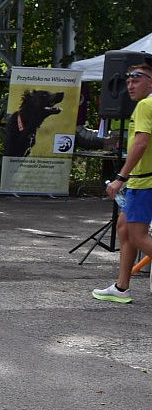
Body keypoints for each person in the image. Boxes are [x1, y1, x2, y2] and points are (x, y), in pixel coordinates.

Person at [93, 57, 152, 304]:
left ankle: (122, 286)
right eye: (128, 79)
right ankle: (121, 286)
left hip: (144, 182)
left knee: (137, 235)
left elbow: (141, 142)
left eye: (136, 78)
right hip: (142, 182)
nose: (130, 84)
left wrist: (120, 178)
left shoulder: (145, 106)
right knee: (124, 229)